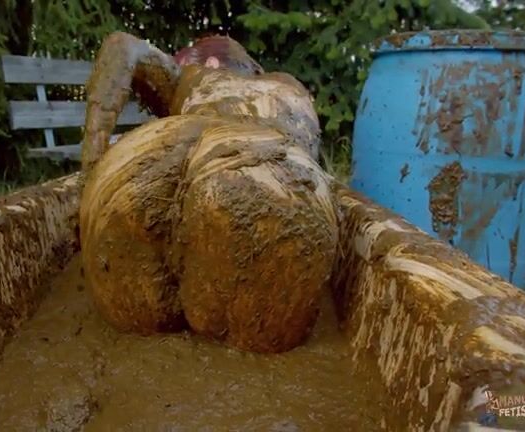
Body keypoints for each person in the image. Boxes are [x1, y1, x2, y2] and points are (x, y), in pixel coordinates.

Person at [78, 31, 339, 353]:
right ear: (251, 66)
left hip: (141, 162)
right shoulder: (288, 85)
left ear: (207, 61)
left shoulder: (191, 76)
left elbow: (121, 45)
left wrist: (89, 176)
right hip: (274, 168)